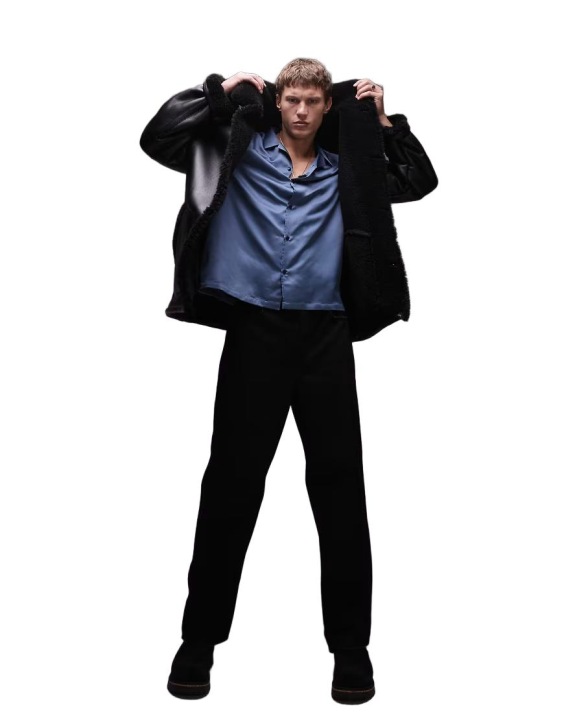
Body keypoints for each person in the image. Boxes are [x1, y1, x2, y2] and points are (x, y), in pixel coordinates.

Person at [139, 57, 438, 705]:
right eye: (292, 99)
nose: (301, 111)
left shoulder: (347, 169)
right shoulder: (235, 152)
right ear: (278, 101)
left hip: (325, 335)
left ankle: (351, 649)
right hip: (255, 333)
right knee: (231, 486)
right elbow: (157, 138)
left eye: (313, 101)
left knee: (339, 490)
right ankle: (198, 641)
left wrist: (387, 122)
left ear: (327, 107)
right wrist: (217, 93)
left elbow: (419, 180)